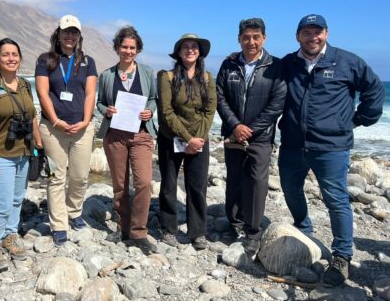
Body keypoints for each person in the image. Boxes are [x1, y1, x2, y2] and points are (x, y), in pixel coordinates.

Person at [279, 14, 385, 286]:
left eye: (317, 32)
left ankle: (342, 255)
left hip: (331, 147)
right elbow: (264, 81)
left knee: (336, 200)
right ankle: (303, 227)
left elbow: (373, 89)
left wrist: (359, 119)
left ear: (326, 33)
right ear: (297, 36)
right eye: (306, 32)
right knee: (290, 189)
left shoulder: (346, 61)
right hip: (292, 145)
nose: (312, 37)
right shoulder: (289, 63)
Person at [216, 18, 286, 255]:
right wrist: (236, 125)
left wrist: (251, 129)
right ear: (239, 39)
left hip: (261, 137)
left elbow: (277, 104)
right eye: (246, 37)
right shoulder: (229, 65)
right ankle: (234, 223)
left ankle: (253, 231)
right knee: (234, 178)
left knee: (256, 182)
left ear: (264, 38)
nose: (251, 42)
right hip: (233, 134)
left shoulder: (275, 66)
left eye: (256, 37)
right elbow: (220, 97)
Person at [0, 38, 43, 270]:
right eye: (5, 54)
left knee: (17, 199)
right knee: (4, 203)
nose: (11, 58)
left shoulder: (25, 84)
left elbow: (32, 115)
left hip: (23, 153)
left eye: (15, 54)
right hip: (2, 155)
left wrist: (38, 143)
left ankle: (10, 234)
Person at [35, 14, 98, 246]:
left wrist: (86, 119)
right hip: (53, 129)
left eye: (74, 32)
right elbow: (42, 93)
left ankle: (74, 211)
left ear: (79, 36)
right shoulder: (45, 60)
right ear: (58, 34)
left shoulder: (88, 61)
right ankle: (59, 224)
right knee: (55, 177)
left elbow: (91, 93)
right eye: (66, 31)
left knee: (80, 176)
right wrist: (55, 120)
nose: (70, 36)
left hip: (82, 128)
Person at [96, 26, 158, 255]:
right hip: (115, 136)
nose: (128, 51)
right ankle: (123, 228)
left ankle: (139, 232)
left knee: (143, 183)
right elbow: (99, 103)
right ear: (117, 48)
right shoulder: (106, 75)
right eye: (124, 47)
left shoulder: (148, 73)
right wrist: (107, 111)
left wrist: (150, 112)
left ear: (138, 50)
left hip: (141, 135)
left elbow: (154, 99)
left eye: (132, 48)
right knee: (120, 185)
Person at [157, 33, 217, 250]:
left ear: (199, 52)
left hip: (199, 139)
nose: (190, 50)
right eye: (186, 47)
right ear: (179, 52)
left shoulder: (208, 79)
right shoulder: (168, 77)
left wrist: (198, 139)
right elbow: (166, 111)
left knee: (198, 186)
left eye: (194, 47)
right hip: (170, 138)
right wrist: (188, 138)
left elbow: (209, 110)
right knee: (169, 184)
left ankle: (198, 231)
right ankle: (169, 228)